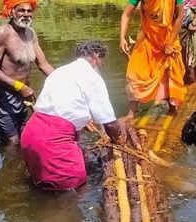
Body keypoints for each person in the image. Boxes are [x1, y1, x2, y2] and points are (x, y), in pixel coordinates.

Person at [21, 41, 139, 191]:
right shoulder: (92, 77)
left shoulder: (61, 71)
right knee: (73, 190)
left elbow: (62, 106)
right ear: (96, 57)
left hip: (31, 136)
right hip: (52, 142)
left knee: (42, 188)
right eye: (102, 61)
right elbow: (109, 123)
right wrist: (120, 142)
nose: (101, 66)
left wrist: (83, 120)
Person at [120, 0, 186, 118]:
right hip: (147, 37)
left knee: (170, 73)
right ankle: (132, 112)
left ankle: (172, 109)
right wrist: (122, 37)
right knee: (134, 73)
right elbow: (126, 14)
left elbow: (180, 17)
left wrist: (170, 42)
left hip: (167, 38)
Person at [0, 0, 54, 146]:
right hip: (3, 95)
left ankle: (23, 166)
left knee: (24, 135)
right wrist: (19, 86)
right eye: (21, 10)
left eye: (29, 11)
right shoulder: (2, 33)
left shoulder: (31, 33)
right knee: (11, 140)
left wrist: (66, 82)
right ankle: (6, 168)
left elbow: (43, 64)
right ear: (11, 12)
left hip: (24, 95)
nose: (26, 14)